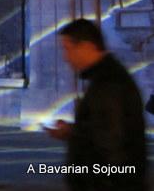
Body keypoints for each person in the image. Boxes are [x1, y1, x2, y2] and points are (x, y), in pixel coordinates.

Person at [45, 18, 147, 190]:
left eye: (68, 48)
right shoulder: (106, 78)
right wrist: (73, 132)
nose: (66, 57)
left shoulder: (108, 84)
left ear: (86, 45)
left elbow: (111, 146)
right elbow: (103, 130)